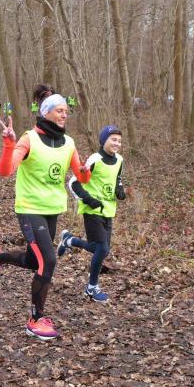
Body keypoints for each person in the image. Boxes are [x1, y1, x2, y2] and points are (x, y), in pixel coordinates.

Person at [0, 84, 91, 341]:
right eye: (59, 110)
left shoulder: (69, 143)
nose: (64, 115)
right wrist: (9, 144)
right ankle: (35, 320)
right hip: (30, 209)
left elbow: (81, 178)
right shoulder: (29, 139)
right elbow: (6, 171)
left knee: (35, 261)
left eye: (66, 111)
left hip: (52, 209)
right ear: (46, 112)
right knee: (48, 261)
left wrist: (88, 169)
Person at [57, 125, 127, 302]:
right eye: (113, 139)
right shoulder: (94, 159)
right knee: (102, 248)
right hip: (92, 209)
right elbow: (74, 182)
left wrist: (119, 190)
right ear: (103, 140)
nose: (117, 143)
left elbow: (117, 179)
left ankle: (69, 240)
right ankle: (92, 287)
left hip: (108, 210)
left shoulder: (119, 160)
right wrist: (88, 199)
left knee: (101, 249)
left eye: (119, 141)